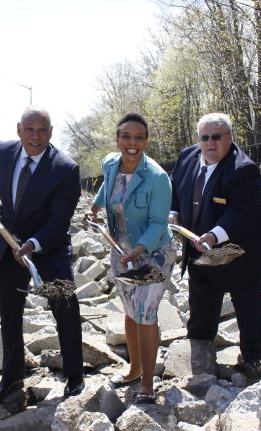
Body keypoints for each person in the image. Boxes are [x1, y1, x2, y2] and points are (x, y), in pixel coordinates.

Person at [0, 107, 85, 402]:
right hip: (10, 246)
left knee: (64, 308)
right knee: (9, 312)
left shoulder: (66, 169)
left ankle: (75, 376)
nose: (35, 136)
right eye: (30, 129)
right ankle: (12, 377)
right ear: (18, 129)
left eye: (42, 130)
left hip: (47, 248)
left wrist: (32, 245)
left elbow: (58, 222)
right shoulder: (2, 151)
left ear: (51, 132)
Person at [169, 113, 261, 378]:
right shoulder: (186, 158)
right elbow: (175, 189)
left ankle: (252, 359)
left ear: (229, 138)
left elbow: (242, 212)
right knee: (201, 298)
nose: (210, 143)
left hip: (239, 250)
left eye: (216, 137)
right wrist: (173, 212)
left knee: (247, 303)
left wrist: (215, 236)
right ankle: (201, 353)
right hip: (198, 247)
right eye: (204, 137)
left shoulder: (243, 169)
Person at [84, 113, 175, 404]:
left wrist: (138, 252)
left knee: (146, 314)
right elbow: (107, 187)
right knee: (130, 310)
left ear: (146, 141)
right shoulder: (111, 163)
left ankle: (147, 384)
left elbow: (159, 224)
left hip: (153, 253)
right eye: (126, 136)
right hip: (120, 248)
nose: (132, 143)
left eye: (139, 138)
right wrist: (96, 208)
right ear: (117, 138)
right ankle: (134, 369)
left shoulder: (158, 178)